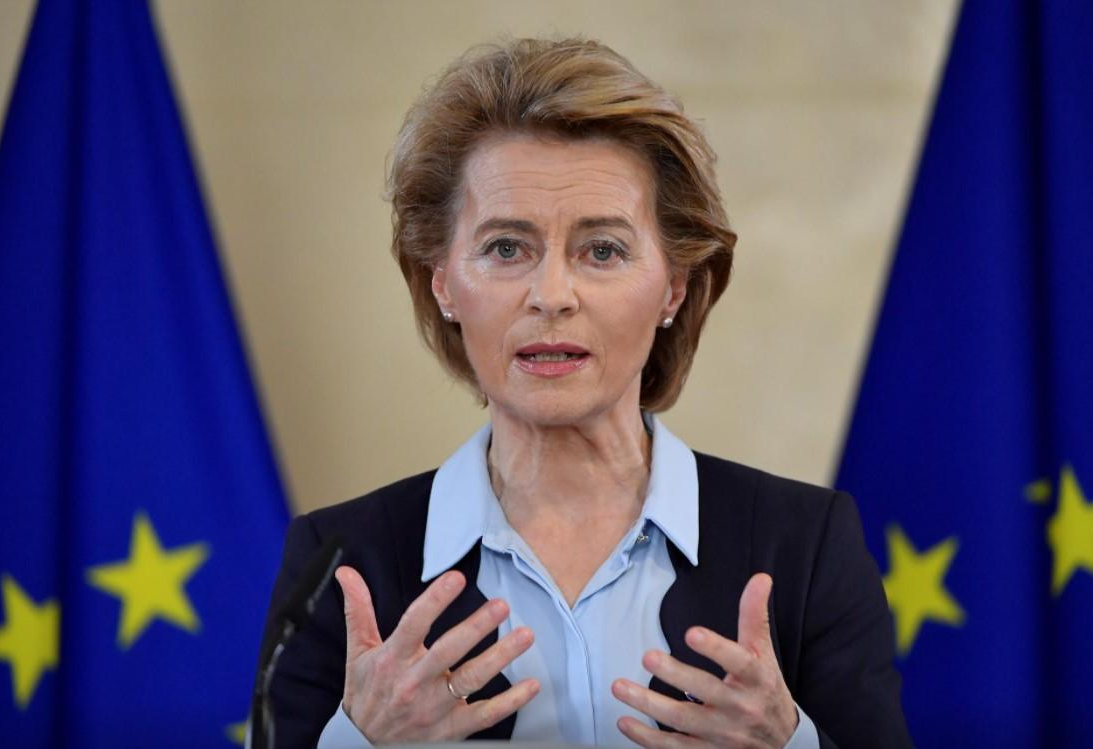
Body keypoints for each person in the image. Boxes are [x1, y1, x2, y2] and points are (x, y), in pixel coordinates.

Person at [256, 37, 912, 749]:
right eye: (506, 247)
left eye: (601, 250)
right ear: (442, 280)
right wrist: (361, 740)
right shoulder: (338, 558)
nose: (551, 296)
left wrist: (789, 745)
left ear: (674, 286)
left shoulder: (806, 545)